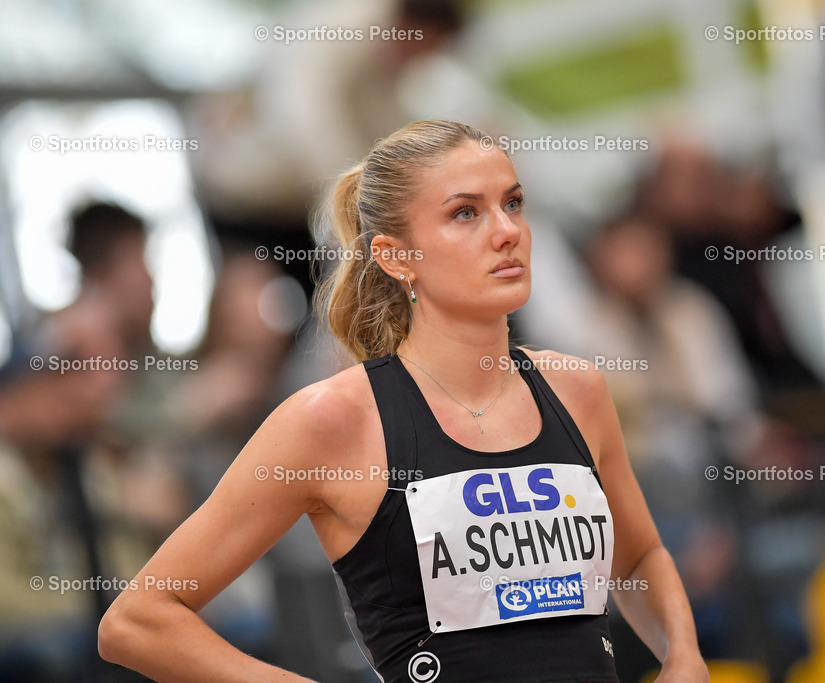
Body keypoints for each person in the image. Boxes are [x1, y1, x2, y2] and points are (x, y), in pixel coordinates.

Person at [97, 120, 708, 682]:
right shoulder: (332, 419)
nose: (507, 232)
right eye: (465, 213)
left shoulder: (576, 388)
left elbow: (639, 555)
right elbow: (139, 620)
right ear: (395, 255)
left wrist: (683, 655)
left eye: (513, 203)